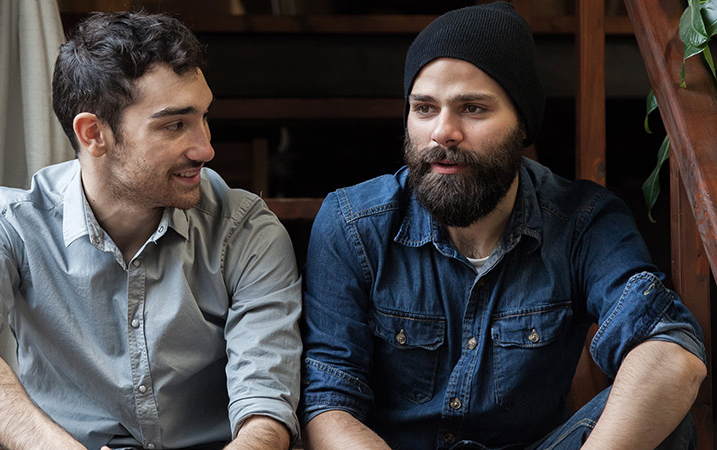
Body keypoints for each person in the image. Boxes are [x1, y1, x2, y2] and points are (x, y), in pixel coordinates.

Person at [298, 3, 706, 449]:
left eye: (472, 109)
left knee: (663, 417)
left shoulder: (583, 221)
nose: (442, 132)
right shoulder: (353, 225)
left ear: (522, 124)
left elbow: (670, 354)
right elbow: (328, 405)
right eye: (424, 108)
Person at [0, 11, 302, 450]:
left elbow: (265, 413)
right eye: (174, 125)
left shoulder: (246, 229)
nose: (205, 148)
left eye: (203, 117)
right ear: (93, 133)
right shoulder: (9, 221)